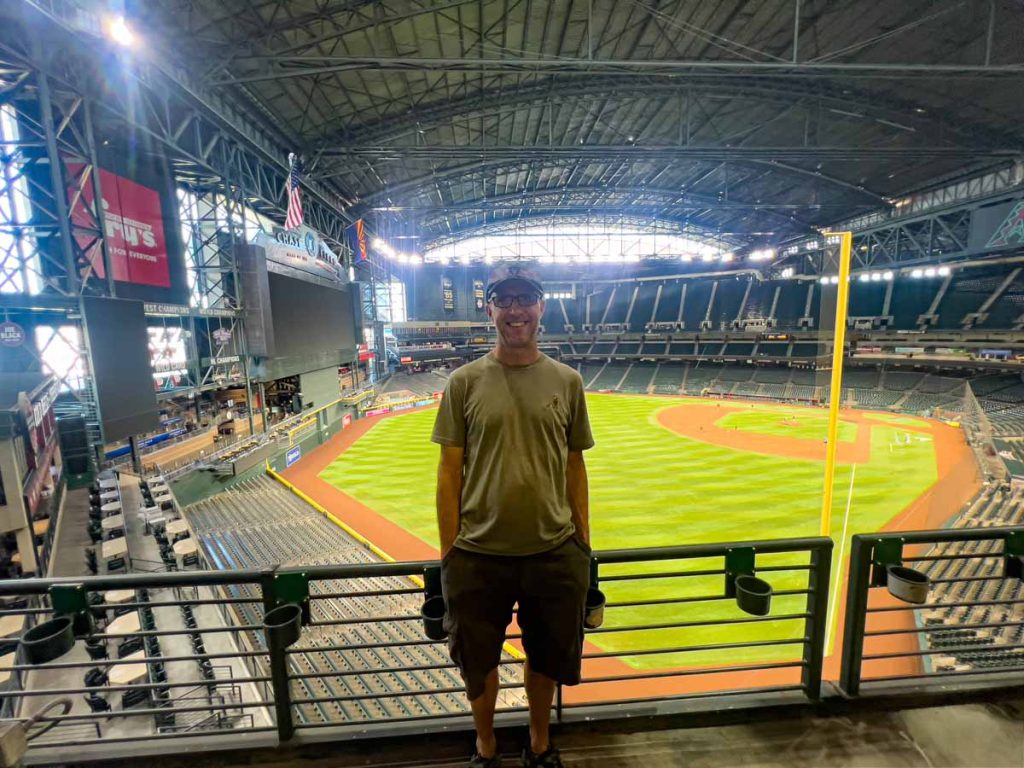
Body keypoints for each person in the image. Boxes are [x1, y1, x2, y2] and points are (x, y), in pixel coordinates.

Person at [432, 263, 595, 768]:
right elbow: (449, 472)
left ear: (542, 307)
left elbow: (575, 468)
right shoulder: (463, 382)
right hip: (478, 556)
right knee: (476, 666)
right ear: (490, 309)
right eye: (504, 300)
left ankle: (540, 745)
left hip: (552, 551)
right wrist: (449, 552)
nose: (515, 310)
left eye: (525, 299)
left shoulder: (567, 382)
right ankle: (486, 747)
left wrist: (583, 546)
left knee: (544, 661)